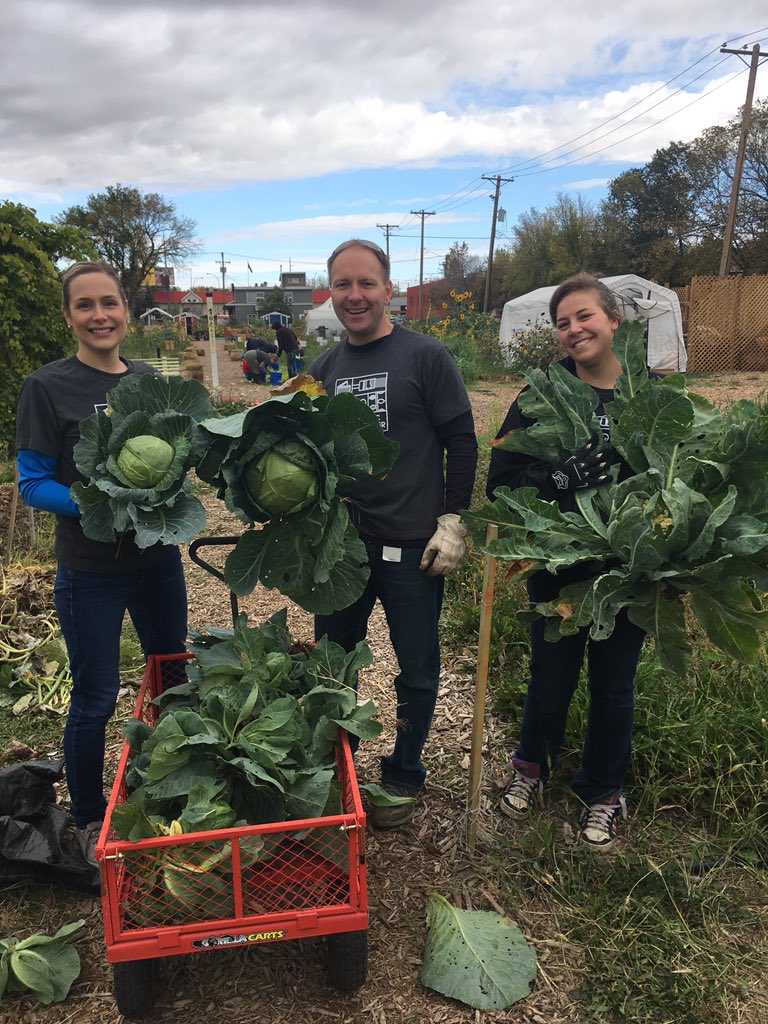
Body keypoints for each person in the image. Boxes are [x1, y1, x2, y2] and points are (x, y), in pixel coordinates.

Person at [15, 261, 189, 865]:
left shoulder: (146, 378)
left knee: (173, 678)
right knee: (95, 696)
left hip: (158, 561)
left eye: (109, 303)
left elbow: (179, 455)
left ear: (127, 311)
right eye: (84, 306)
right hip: (89, 571)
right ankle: (90, 816)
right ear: (69, 317)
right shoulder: (47, 387)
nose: (99, 316)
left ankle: (174, 793)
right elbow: (33, 484)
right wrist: (103, 500)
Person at [309, 239, 478, 830]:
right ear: (329, 293)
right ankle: (339, 765)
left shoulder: (426, 357)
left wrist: (454, 519)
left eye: (366, 284)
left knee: (418, 668)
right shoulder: (325, 370)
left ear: (388, 288)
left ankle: (405, 771)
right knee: (334, 665)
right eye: (342, 285)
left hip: (412, 550)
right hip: (341, 549)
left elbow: (462, 440)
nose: (355, 296)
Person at [486, 273, 646, 852]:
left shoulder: (654, 395)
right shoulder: (541, 394)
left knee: (614, 686)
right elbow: (498, 483)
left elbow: (691, 481)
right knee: (550, 677)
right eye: (562, 323)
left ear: (613, 322)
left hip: (630, 573)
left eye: (585, 316)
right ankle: (531, 767)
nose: (574, 329)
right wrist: (554, 477)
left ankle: (602, 791)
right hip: (557, 566)